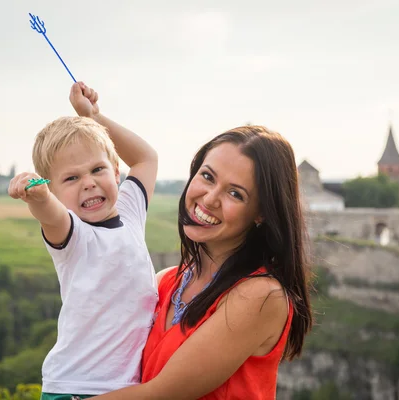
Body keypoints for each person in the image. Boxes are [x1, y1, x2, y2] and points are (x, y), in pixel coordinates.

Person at [89, 125, 313, 399]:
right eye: (207, 176)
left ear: (261, 213)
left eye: (235, 194)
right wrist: (93, 118)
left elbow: (160, 395)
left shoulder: (260, 296)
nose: (209, 199)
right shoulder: (165, 282)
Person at [7, 82, 159, 400]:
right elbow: (51, 215)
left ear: (116, 171)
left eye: (97, 169)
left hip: (122, 389)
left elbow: (146, 158)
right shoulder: (75, 235)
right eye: (72, 178)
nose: (89, 183)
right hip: (76, 390)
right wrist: (38, 195)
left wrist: (94, 117)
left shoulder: (131, 212)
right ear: (56, 191)